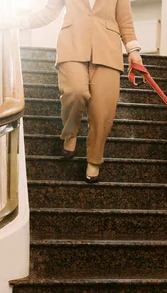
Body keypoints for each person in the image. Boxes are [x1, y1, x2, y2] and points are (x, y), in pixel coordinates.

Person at [14, 0, 143, 183]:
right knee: (75, 92)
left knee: (103, 110)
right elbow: (49, 11)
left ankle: (94, 159)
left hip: (107, 49)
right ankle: (70, 133)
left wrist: (133, 50)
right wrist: (17, 21)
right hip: (71, 44)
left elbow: (125, 20)